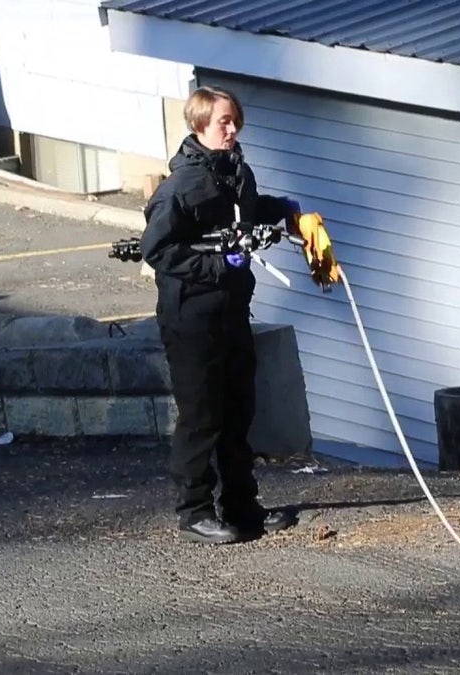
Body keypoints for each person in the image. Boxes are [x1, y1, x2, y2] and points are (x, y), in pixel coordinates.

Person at [140, 85, 322, 545]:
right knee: (202, 416)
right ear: (199, 125)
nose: (233, 129)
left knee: (239, 411)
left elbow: (250, 211)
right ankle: (195, 510)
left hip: (233, 311)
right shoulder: (179, 188)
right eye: (224, 121)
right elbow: (158, 249)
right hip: (192, 317)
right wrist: (218, 266)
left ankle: (242, 506)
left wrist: (289, 215)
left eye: (236, 120)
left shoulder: (237, 172)